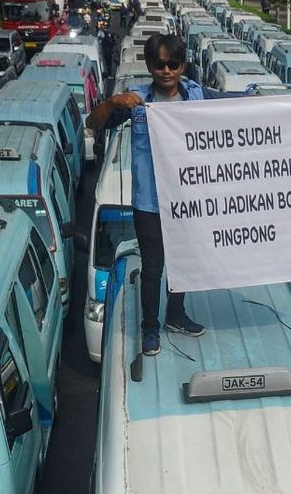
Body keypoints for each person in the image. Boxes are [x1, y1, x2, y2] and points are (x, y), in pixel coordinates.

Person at [83, 33, 244, 356]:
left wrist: (285, 102)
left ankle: (176, 315)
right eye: (159, 64)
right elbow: (93, 122)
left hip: (189, 200)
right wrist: (114, 102)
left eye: (173, 63)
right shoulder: (137, 102)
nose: (166, 70)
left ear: (183, 65)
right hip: (150, 204)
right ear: (149, 65)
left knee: (186, 262)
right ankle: (149, 328)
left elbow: (235, 105)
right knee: (153, 268)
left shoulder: (197, 96)